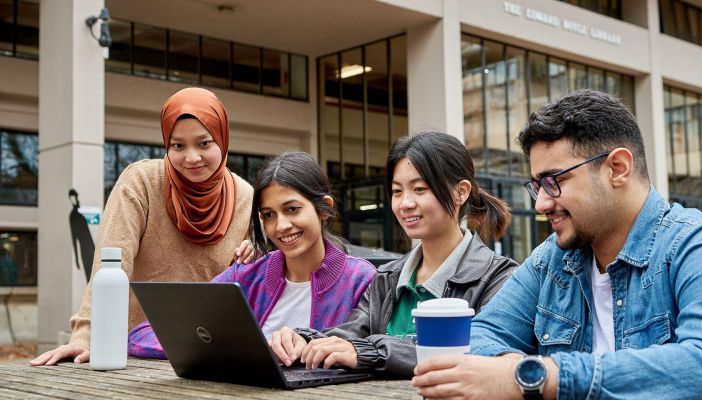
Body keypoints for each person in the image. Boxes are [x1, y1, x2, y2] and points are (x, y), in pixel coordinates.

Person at [412, 90, 702, 399]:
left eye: (553, 181)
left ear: (617, 168)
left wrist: (535, 377)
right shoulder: (552, 261)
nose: (540, 203)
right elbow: (483, 334)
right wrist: (512, 369)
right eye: (536, 186)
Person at [31, 87, 256, 366]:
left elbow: (257, 279)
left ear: (222, 139)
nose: (192, 157)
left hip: (212, 354)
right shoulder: (141, 182)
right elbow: (111, 262)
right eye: (178, 146)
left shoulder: (246, 197)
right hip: (135, 356)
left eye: (204, 143)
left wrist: (255, 254)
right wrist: (84, 336)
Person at [270, 131, 518, 378]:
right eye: (397, 191)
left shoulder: (499, 278)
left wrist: (370, 352)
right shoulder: (387, 277)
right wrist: (304, 340)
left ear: (460, 192)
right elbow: (351, 334)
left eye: (419, 189)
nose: (405, 203)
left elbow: (470, 352)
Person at [127, 151, 377, 358]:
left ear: (324, 209)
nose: (280, 226)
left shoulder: (361, 280)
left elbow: (380, 349)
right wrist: (233, 348)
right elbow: (141, 335)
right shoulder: (245, 276)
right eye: (268, 215)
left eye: (292, 209)